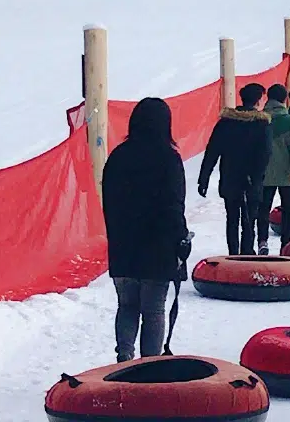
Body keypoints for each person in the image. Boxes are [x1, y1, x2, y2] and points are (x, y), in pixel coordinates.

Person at [102, 98, 190, 363]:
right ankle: (150, 364)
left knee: (127, 306)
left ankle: (124, 356)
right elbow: (174, 205)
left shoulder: (117, 156)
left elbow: (108, 201)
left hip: (123, 245)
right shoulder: (168, 158)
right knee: (153, 310)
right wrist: (181, 239)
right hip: (158, 247)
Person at [198, 83, 271, 255]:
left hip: (230, 178)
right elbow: (265, 154)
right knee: (249, 220)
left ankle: (233, 254)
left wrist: (204, 178)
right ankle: (247, 253)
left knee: (232, 219)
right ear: (259, 100)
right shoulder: (262, 124)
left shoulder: (226, 123)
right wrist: (256, 176)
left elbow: (212, 151)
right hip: (252, 181)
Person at [259, 84, 290, 255]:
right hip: (288, 173)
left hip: (263, 173)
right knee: (288, 209)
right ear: (284, 99)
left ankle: (262, 241)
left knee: (263, 208)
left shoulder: (259, 120)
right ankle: (285, 244)